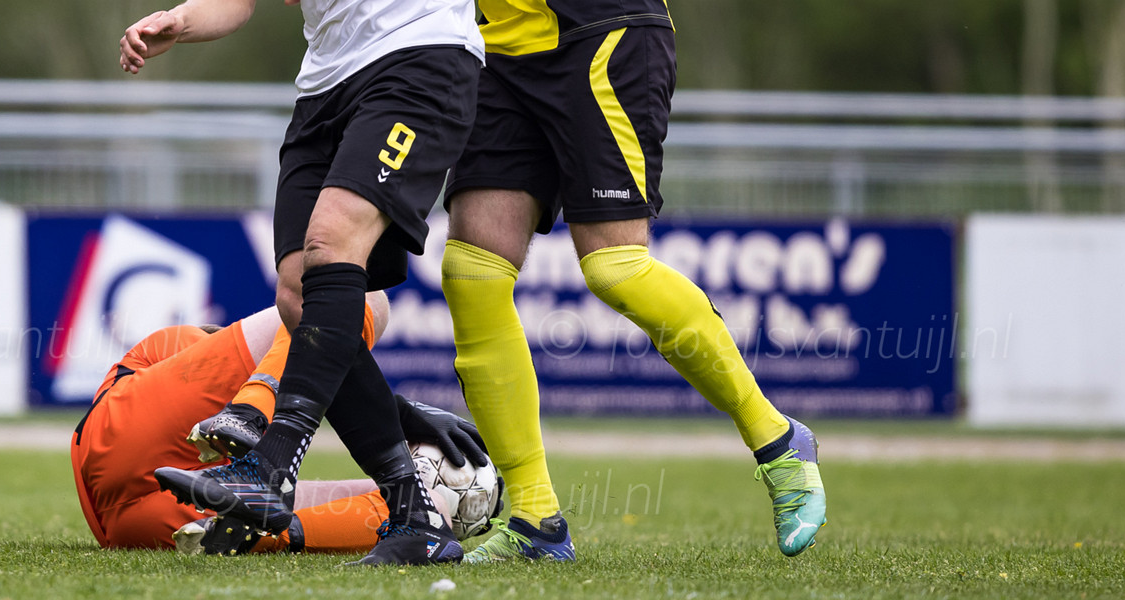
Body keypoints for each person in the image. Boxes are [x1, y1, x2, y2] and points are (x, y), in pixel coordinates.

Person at [439, 1, 827, 562]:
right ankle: (535, 519)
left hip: (599, 29)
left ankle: (778, 441)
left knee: (614, 266)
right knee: (471, 273)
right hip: (498, 48)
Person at [118, 0, 486, 565]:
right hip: (325, 84)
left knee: (330, 245)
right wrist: (182, 19)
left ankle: (270, 467)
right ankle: (417, 517)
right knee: (297, 294)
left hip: (415, 56)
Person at [70, 295, 490, 555]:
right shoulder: (177, 345)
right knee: (354, 299)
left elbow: (310, 359)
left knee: (427, 507)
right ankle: (250, 412)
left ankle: (419, 515)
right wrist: (394, 412)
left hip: (131, 490)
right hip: (142, 522)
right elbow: (313, 354)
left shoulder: (164, 353)